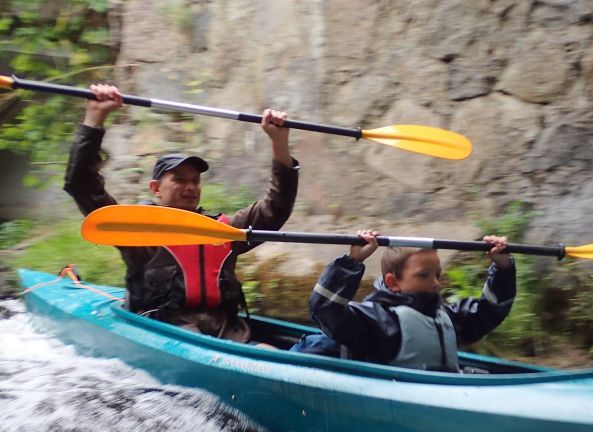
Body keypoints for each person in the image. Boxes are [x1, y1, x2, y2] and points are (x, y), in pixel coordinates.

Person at [63, 83, 300, 342]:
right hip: (163, 331)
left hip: (227, 333)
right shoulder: (139, 230)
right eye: (179, 179)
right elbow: (82, 186)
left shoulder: (222, 230)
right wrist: (94, 120)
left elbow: (276, 208)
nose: (190, 187)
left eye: (195, 180)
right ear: (156, 188)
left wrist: (280, 143)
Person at [295, 230, 515, 371]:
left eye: (438, 275)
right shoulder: (378, 321)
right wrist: (352, 262)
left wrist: (503, 267)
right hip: (326, 356)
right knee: (323, 343)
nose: (436, 283)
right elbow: (324, 309)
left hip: (439, 395)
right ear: (392, 282)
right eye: (424, 275)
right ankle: (270, 352)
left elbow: (490, 310)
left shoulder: (447, 317)